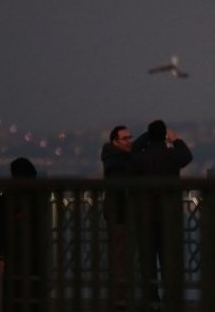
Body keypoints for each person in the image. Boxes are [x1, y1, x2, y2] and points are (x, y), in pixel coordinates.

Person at [129, 120, 193, 311]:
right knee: (168, 260)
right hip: (169, 215)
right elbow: (187, 156)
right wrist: (176, 140)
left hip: (146, 215)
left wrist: (145, 138)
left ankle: (152, 298)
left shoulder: (141, 158)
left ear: (150, 135)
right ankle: (170, 297)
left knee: (147, 261)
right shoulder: (172, 155)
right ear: (164, 135)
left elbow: (131, 153)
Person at [0, 157, 49, 312]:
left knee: (14, 287)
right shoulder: (38, 195)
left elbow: (1, 225)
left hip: (13, 249)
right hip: (34, 248)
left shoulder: (7, 196)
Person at [100, 125, 134, 310]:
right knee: (121, 257)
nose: (130, 141)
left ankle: (120, 295)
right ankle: (119, 297)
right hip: (119, 213)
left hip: (119, 212)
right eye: (125, 138)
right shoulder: (116, 160)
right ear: (115, 141)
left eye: (130, 137)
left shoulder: (113, 156)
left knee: (121, 256)